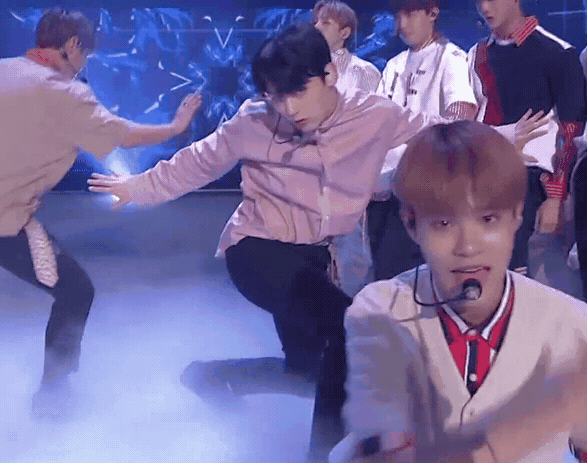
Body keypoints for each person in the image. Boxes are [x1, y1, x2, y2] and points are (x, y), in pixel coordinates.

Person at [87, 24, 544, 462]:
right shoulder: (253, 122)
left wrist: (502, 138)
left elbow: (437, 129)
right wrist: (137, 188)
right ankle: (322, 456)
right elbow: (194, 163)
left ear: (329, 75)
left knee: (311, 369)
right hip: (255, 250)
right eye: (275, 95)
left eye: (297, 90)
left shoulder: (375, 115)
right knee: (351, 330)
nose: (287, 107)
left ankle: (213, 377)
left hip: (311, 257)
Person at [331, 121, 587, 463]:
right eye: (443, 224)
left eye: (488, 220)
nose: (468, 247)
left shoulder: (572, 324)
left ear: (516, 217)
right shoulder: (381, 310)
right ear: (411, 225)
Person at [0, 8, 201, 418]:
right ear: (72, 45)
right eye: (86, 54)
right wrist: (175, 128)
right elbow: (123, 134)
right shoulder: (66, 93)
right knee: (75, 291)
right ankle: (53, 395)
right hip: (8, 224)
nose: (84, 63)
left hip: (13, 222)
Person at [469, 0, 586, 278]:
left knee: (526, 279)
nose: (485, 7)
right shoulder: (477, 54)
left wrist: (556, 198)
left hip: (531, 185)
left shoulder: (557, 52)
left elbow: (571, 133)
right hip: (480, 178)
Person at [368, 0, 478, 284]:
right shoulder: (394, 65)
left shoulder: (451, 57)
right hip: (384, 188)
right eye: (397, 15)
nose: (401, 24)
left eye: (409, 13)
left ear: (432, 13)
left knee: (412, 277)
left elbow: (461, 116)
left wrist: (415, 134)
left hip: (426, 189)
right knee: (382, 276)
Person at [313, 0, 381, 297]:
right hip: (308, 176)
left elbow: (372, 126)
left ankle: (355, 315)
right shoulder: (304, 73)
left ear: (345, 32)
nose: (316, 27)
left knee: (352, 258)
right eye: (316, 21)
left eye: (325, 23)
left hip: (348, 178)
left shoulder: (364, 72)